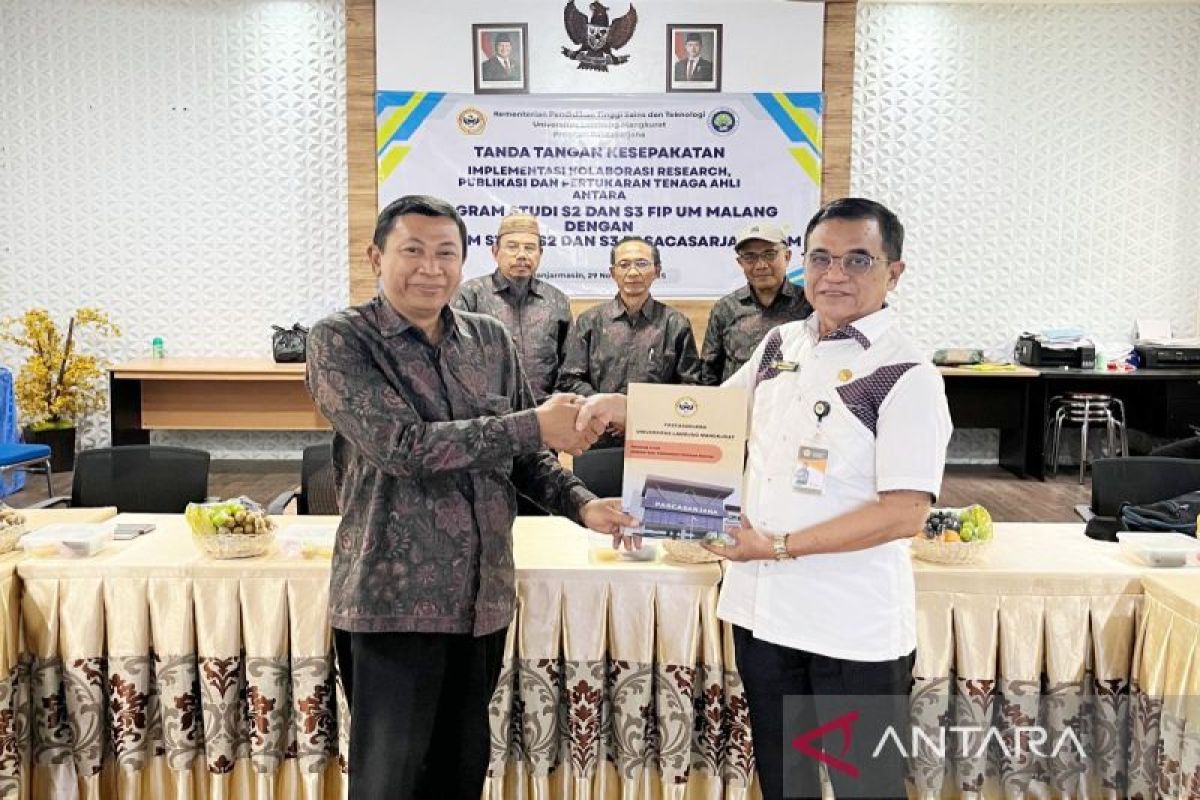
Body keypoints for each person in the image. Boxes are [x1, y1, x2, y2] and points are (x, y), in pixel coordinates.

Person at [573, 198, 953, 799]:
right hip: (766, 615)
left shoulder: (906, 372)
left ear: (894, 272)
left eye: (858, 260)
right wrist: (626, 410)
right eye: (821, 258)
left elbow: (904, 513)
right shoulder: (782, 345)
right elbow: (712, 419)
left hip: (850, 624)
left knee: (866, 787)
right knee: (784, 780)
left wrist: (775, 545)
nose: (835, 274)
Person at [306, 195, 635, 800]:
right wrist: (533, 424)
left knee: (460, 776)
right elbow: (402, 448)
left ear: (463, 262)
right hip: (393, 600)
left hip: (480, 600)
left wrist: (583, 504)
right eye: (412, 251)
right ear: (376, 257)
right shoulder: (341, 340)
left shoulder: (488, 340)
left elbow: (523, 456)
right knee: (389, 783)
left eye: (445, 253)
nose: (430, 268)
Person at [557, 235, 701, 448]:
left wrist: (638, 417)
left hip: (656, 441)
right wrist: (608, 410)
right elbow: (570, 379)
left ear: (657, 271)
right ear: (612, 273)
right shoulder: (591, 321)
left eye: (642, 264)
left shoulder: (675, 324)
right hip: (596, 438)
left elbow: (690, 387)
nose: (633, 272)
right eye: (624, 265)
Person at [453, 211, 571, 403]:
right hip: (488, 413)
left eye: (530, 248)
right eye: (512, 247)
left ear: (540, 253)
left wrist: (556, 403)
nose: (522, 255)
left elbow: (569, 365)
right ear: (495, 251)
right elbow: (455, 360)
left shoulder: (557, 301)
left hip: (545, 409)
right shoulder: (470, 296)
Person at [699, 220, 813, 385]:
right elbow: (708, 372)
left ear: (787, 257)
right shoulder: (725, 308)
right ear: (740, 263)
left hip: (791, 398)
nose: (761, 265)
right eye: (750, 257)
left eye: (769, 254)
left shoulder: (810, 304)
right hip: (737, 399)